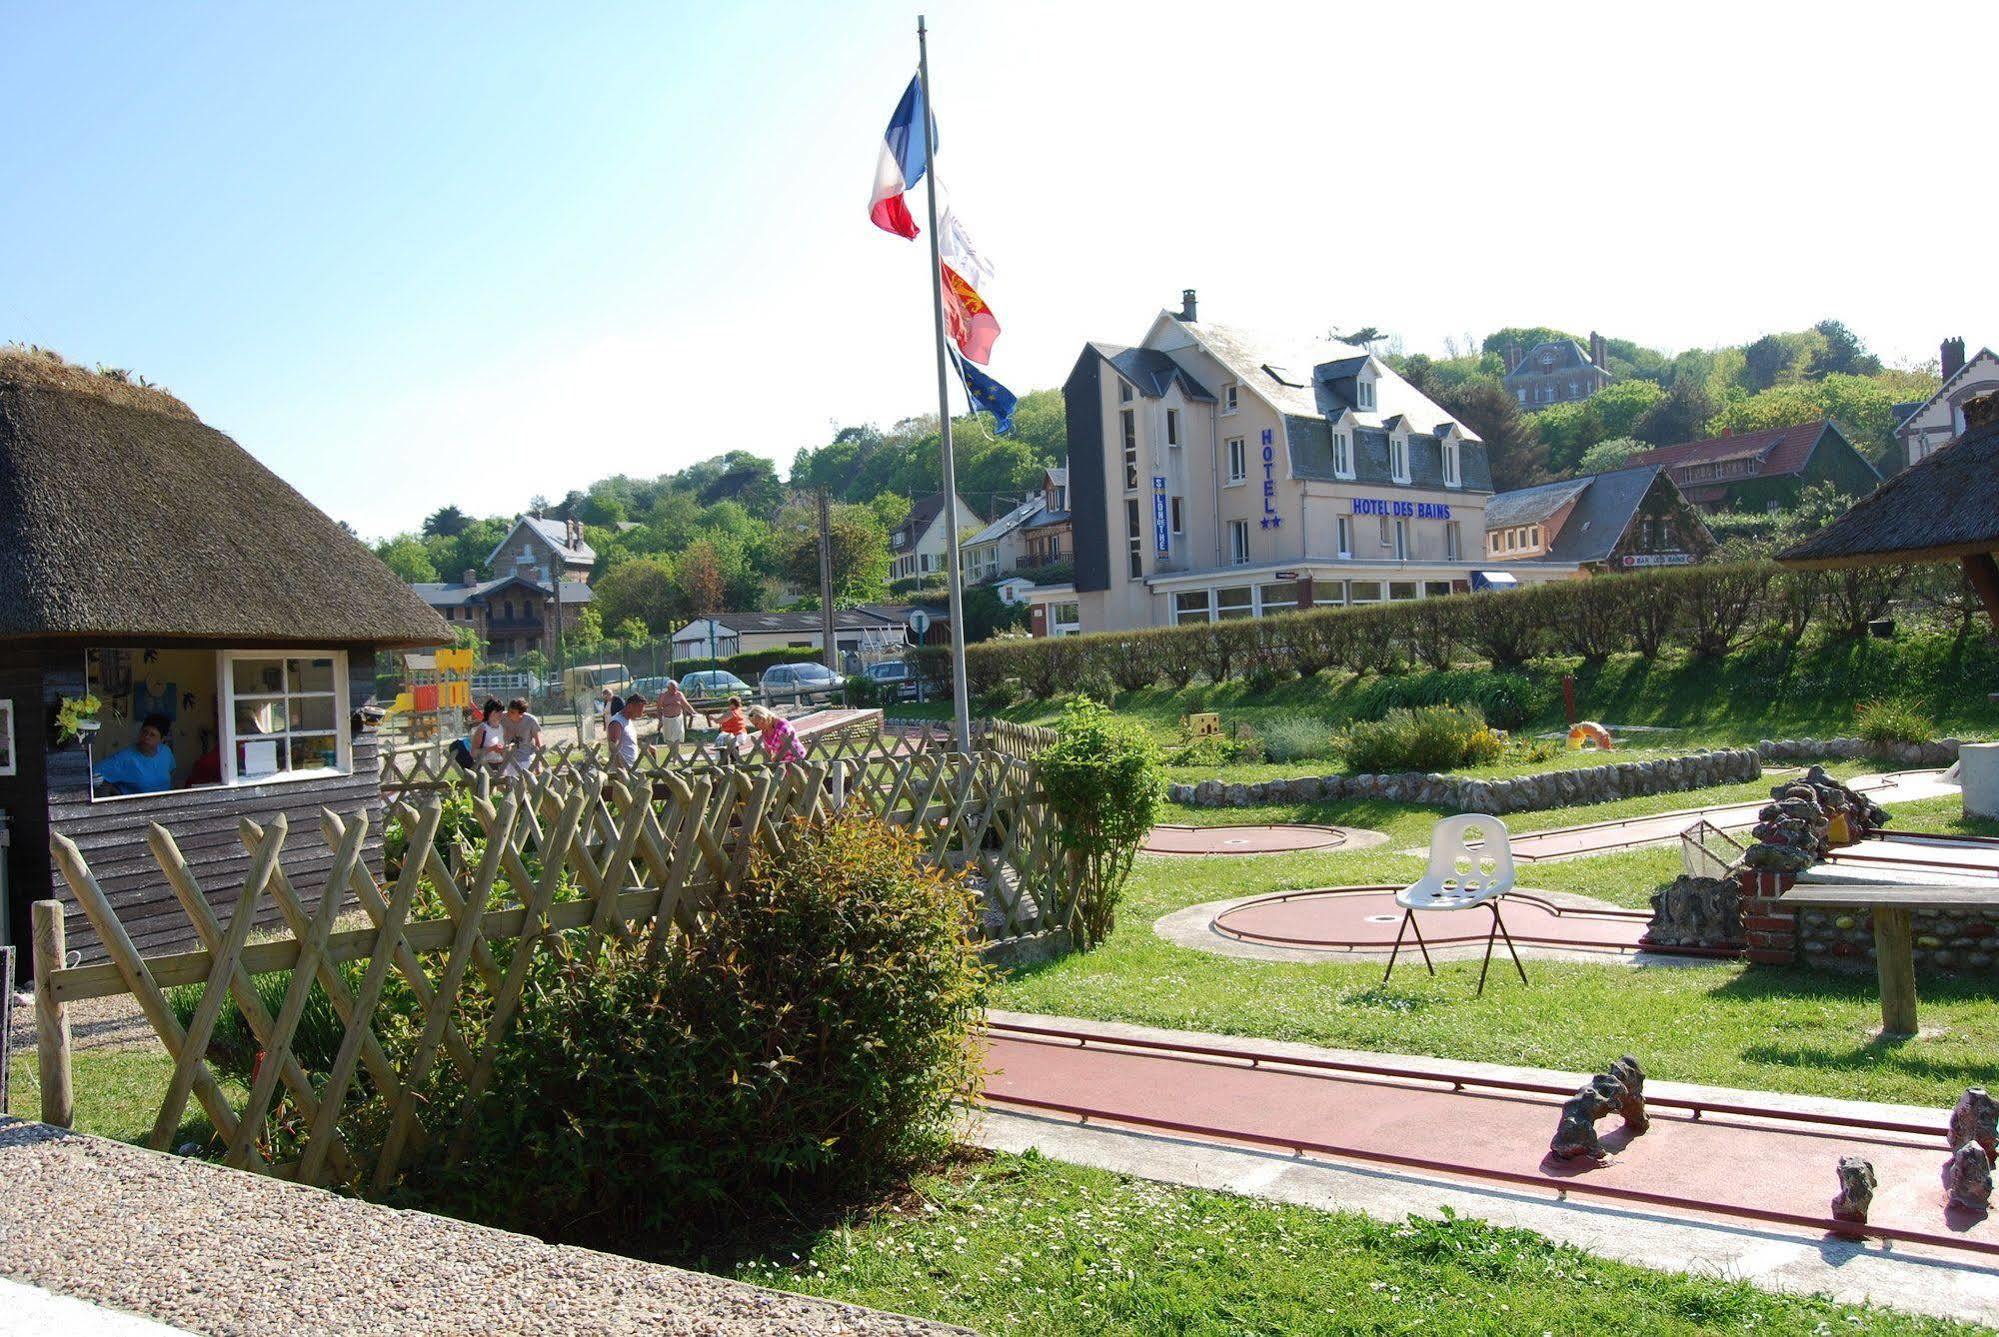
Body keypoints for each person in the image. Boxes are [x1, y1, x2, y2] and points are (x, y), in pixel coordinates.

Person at [94, 713, 176, 795]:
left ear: (162, 739)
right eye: (144, 732)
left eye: (152, 735)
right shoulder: (125, 757)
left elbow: (171, 771)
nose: (146, 737)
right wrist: (114, 793)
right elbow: (94, 773)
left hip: (165, 803)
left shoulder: (166, 752)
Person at [606, 692, 649, 770]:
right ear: (629, 706)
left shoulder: (628, 721)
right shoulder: (616, 723)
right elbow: (613, 748)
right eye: (639, 710)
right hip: (621, 770)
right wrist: (621, 770)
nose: (641, 714)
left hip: (631, 767)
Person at [502, 697, 542, 777]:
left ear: (521, 713)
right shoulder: (503, 717)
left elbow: (538, 743)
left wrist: (538, 765)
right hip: (508, 759)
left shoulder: (531, 721)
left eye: (512, 712)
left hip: (526, 758)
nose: (509, 713)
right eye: (509, 710)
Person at [469, 699, 508, 772]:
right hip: (486, 767)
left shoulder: (502, 728)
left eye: (501, 711)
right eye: (497, 711)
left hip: (501, 766)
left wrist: (505, 749)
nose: (501, 714)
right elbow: (473, 753)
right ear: (490, 712)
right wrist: (492, 748)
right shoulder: (482, 728)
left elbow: (504, 749)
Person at [655, 678, 697, 745]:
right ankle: (672, 753)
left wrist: (693, 712)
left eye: (676, 688)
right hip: (667, 720)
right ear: (668, 688)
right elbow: (658, 709)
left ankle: (676, 753)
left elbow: (686, 705)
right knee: (669, 739)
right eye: (673, 688)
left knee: (678, 738)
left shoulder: (679, 694)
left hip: (677, 719)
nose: (675, 690)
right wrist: (660, 720)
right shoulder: (663, 696)